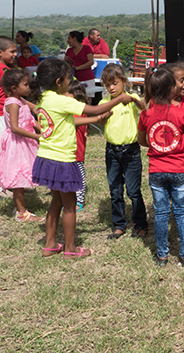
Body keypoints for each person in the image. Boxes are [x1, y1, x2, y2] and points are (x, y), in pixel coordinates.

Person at [32, 58, 137, 258]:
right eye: (68, 77)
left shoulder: (43, 98)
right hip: (63, 160)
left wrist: (96, 120)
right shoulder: (62, 99)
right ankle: (71, 250)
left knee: (56, 202)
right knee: (70, 206)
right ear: (58, 81)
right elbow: (95, 108)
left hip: (46, 157)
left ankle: (50, 245)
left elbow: (71, 119)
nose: (70, 80)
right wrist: (119, 99)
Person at [138, 68, 184, 267]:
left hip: (156, 169)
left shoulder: (146, 114)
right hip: (179, 168)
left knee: (161, 213)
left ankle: (162, 255)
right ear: (172, 88)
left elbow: (142, 140)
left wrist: (156, 145)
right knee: (181, 212)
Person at [99, 64, 148, 240]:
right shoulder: (104, 103)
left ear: (124, 81)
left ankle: (140, 224)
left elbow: (144, 106)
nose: (111, 88)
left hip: (131, 151)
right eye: (107, 85)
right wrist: (103, 118)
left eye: (114, 83)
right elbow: (101, 121)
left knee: (134, 191)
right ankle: (119, 224)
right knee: (115, 191)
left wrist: (133, 100)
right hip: (111, 151)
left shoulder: (131, 98)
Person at [0, 69, 41, 222]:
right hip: (17, 144)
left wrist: (44, 128)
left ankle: (20, 207)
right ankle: (21, 212)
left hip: (25, 142)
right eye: (25, 84)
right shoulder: (13, 103)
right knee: (18, 178)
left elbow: (32, 115)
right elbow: (14, 127)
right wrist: (37, 136)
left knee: (24, 173)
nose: (28, 87)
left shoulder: (21, 100)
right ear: (14, 88)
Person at [160, 62, 184, 245]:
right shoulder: (157, 105)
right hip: (162, 160)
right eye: (181, 80)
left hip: (182, 159)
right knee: (163, 196)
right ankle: (166, 226)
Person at [68, 80, 111, 212]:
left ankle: (79, 201)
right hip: (69, 153)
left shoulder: (77, 112)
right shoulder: (77, 110)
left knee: (78, 177)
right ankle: (70, 200)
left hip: (76, 153)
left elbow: (73, 121)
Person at [0, 36, 18, 198]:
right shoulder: (2, 69)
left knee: (11, 149)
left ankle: (10, 181)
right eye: (12, 52)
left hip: (6, 112)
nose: (15, 54)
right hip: (2, 114)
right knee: (0, 151)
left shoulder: (2, 67)